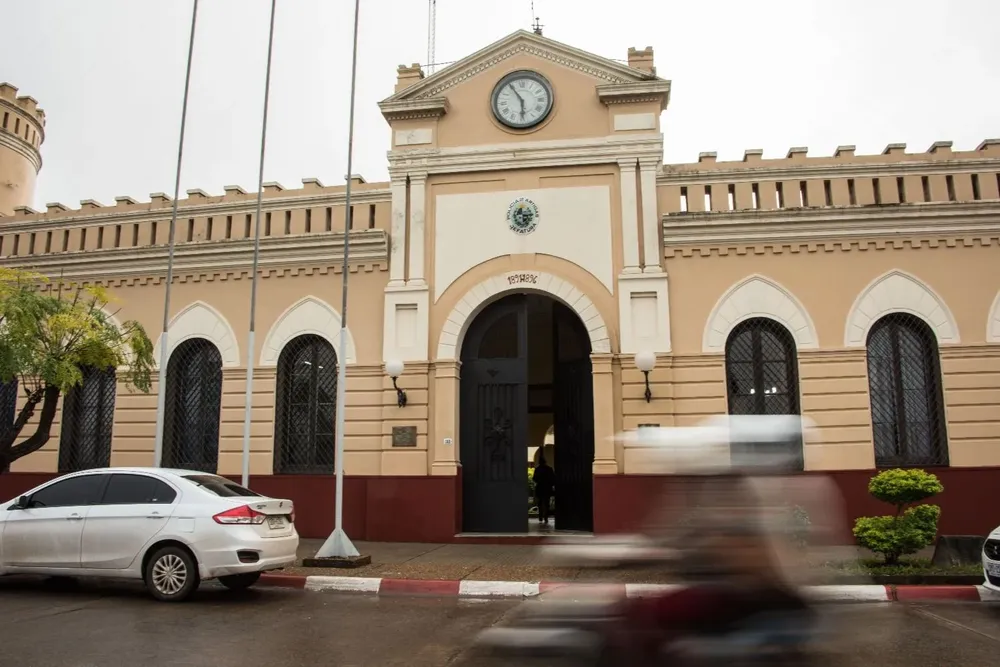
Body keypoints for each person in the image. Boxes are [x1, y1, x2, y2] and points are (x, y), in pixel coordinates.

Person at [533, 455, 555, 525]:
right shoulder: (549, 469)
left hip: (540, 487)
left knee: (540, 503)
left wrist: (539, 481)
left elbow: (534, 478)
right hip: (547, 488)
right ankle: (546, 517)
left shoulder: (537, 469)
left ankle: (540, 516)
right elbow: (553, 479)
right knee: (546, 503)